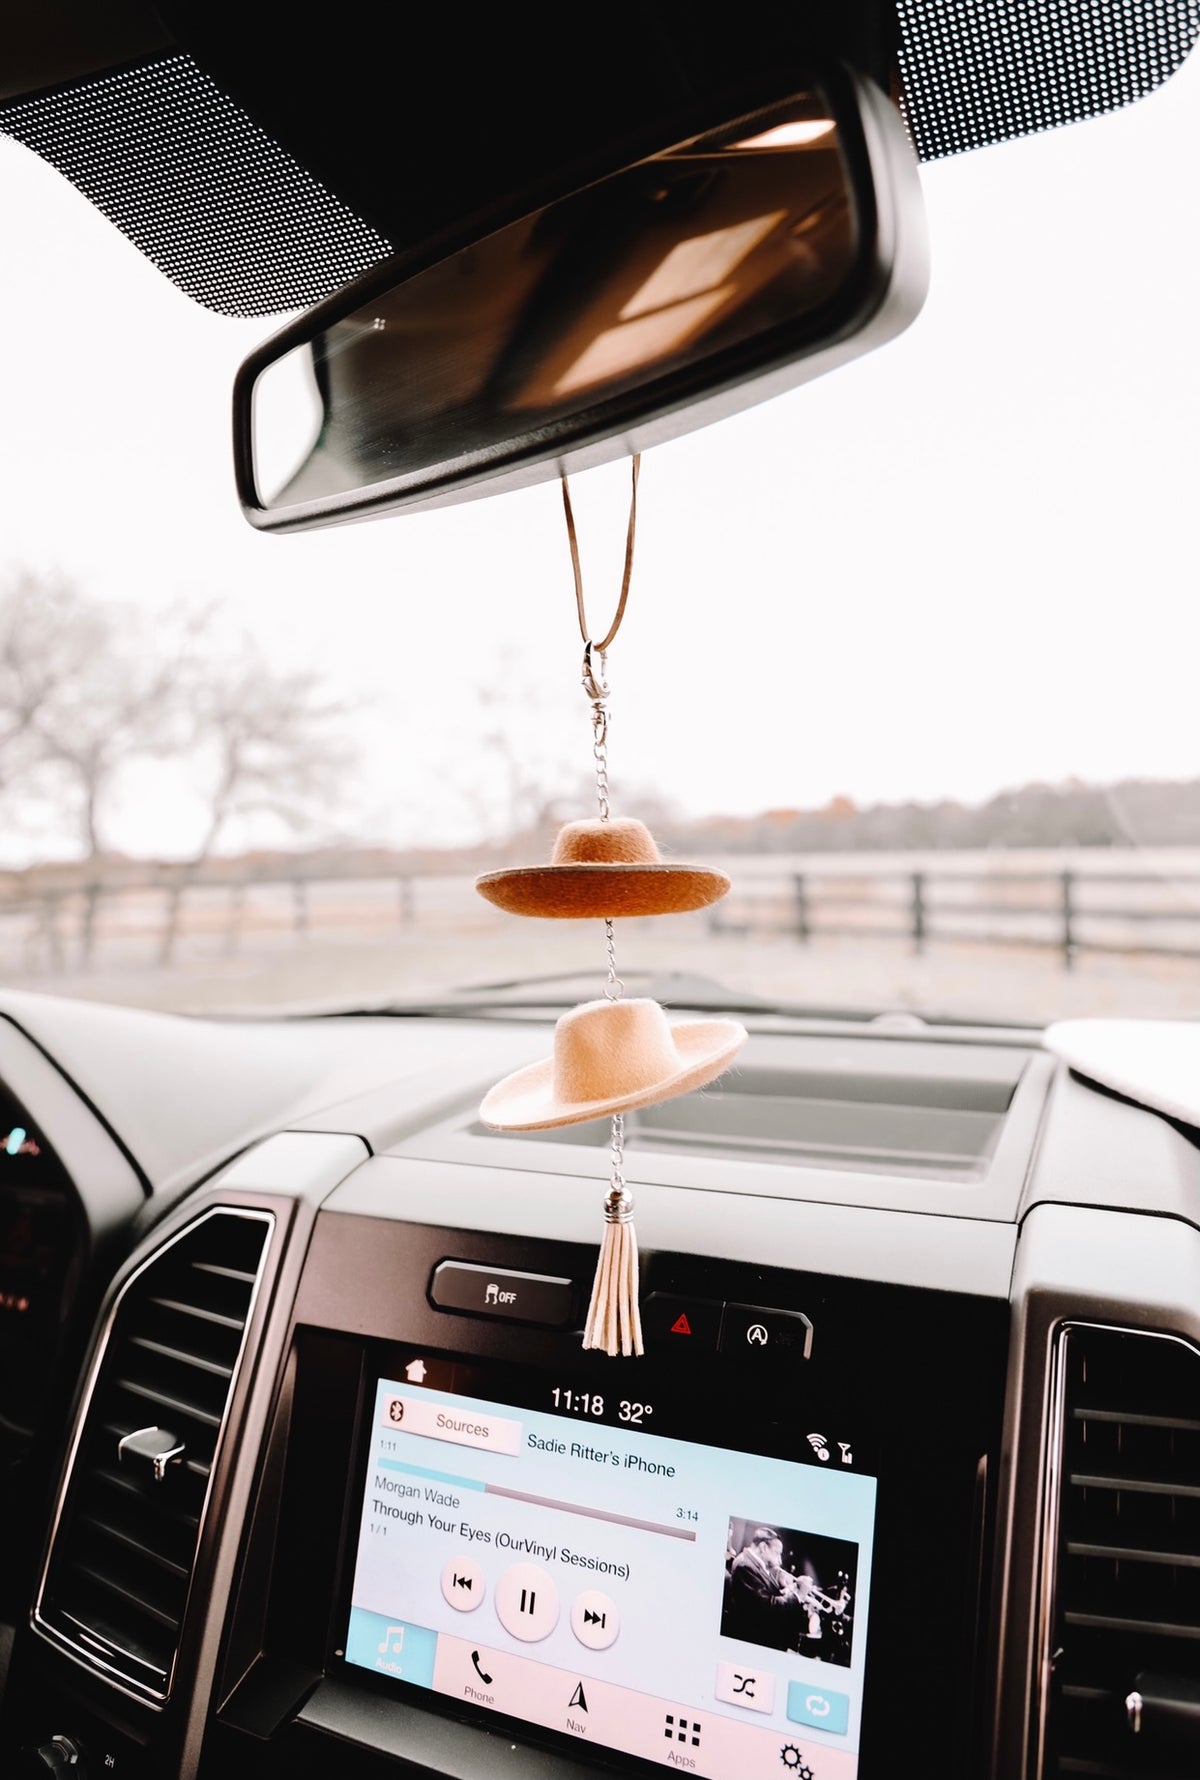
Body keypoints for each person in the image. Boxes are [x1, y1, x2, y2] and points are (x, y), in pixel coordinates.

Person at [724, 1527, 805, 1651]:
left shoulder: (756, 1565)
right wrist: (797, 1594)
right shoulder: (744, 1565)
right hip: (754, 1643)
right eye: (778, 1553)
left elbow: (767, 1595)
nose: (780, 1560)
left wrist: (787, 1589)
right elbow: (766, 1607)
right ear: (763, 1547)